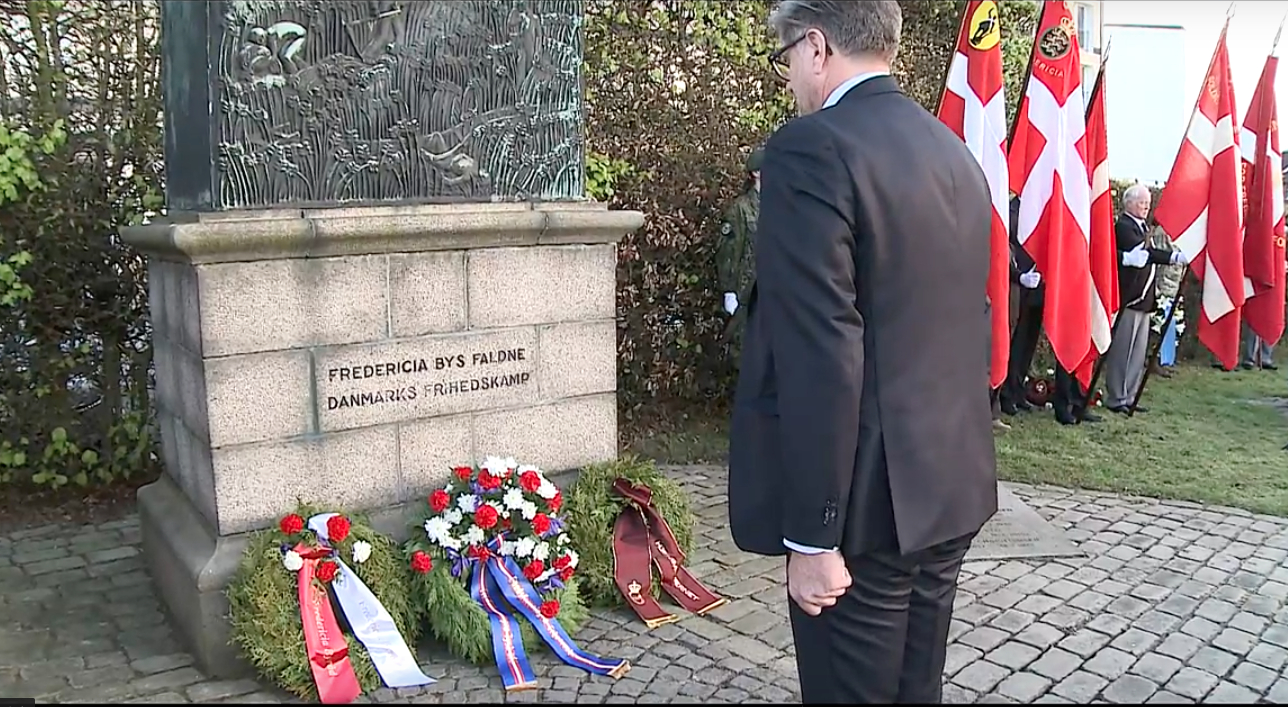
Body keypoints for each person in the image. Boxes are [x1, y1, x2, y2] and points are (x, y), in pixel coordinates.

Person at [725, 2, 998, 702]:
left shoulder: (811, 148)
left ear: (816, 46)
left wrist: (814, 536)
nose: (789, 76)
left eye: (786, 56)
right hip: (948, 485)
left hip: (861, 513)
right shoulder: (952, 151)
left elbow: (819, 351)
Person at [1105, 184, 1186, 413]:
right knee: (1123, 350)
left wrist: (1174, 257)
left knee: (1137, 353)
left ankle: (1129, 395)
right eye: (1142, 202)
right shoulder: (1124, 226)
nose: (1146, 207)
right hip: (1131, 298)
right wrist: (1173, 257)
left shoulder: (1143, 227)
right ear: (1129, 203)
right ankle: (1117, 396)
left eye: (1148, 203)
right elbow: (1147, 253)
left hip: (1145, 299)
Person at [715, 148, 763, 364]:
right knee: (745, 358)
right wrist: (729, 291)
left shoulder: (780, 205)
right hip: (747, 293)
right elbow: (728, 251)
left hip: (775, 293)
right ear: (756, 173)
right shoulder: (741, 209)